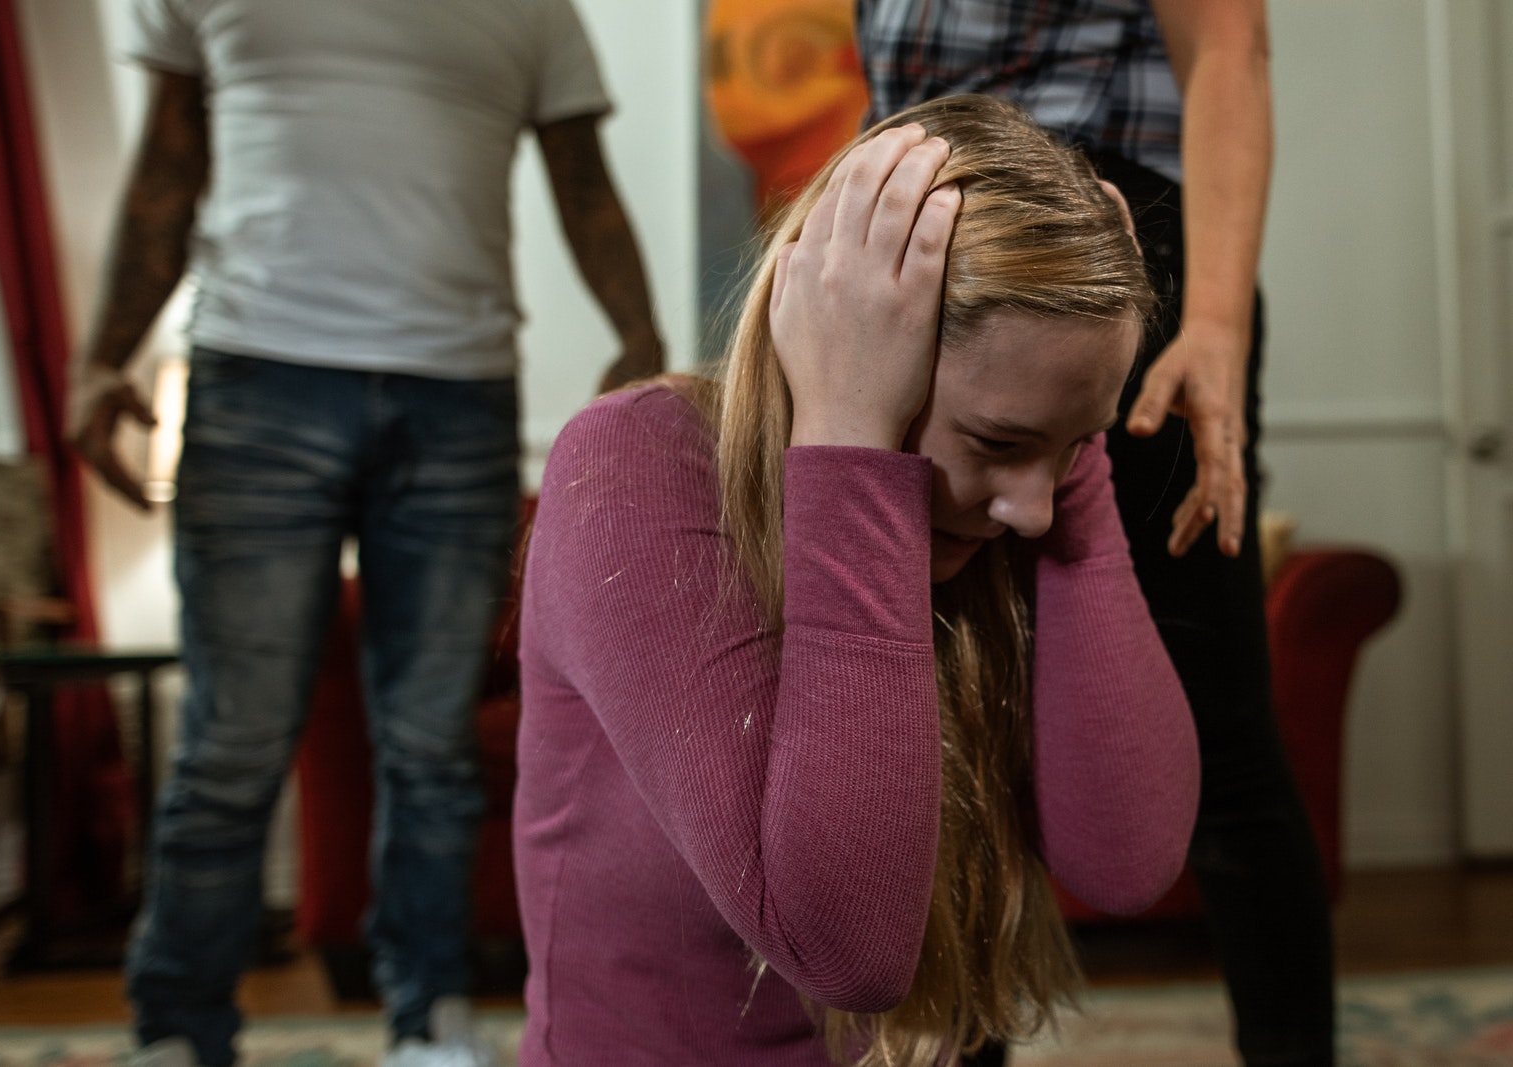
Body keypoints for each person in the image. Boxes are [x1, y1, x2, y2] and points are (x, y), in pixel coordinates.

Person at [513, 94, 1200, 1066]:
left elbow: (1126, 861)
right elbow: (848, 952)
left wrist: (1071, 446)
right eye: (998, 443)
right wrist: (845, 439)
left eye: (1067, 451)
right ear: (852, 361)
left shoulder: (1001, 504)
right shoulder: (632, 467)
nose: (1032, 507)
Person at [68, 3, 664, 1066]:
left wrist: (640, 333)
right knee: (231, 741)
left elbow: (584, 182)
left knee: (431, 745)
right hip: (256, 385)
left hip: (460, 397)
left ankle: (426, 1018)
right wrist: (102, 357)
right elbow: (167, 168)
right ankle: (178, 1028)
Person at [854, 4, 1335, 1066]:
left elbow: (1225, 45)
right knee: (946, 728)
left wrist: (1211, 324)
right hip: (933, 272)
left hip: (1103, 261)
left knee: (1217, 734)